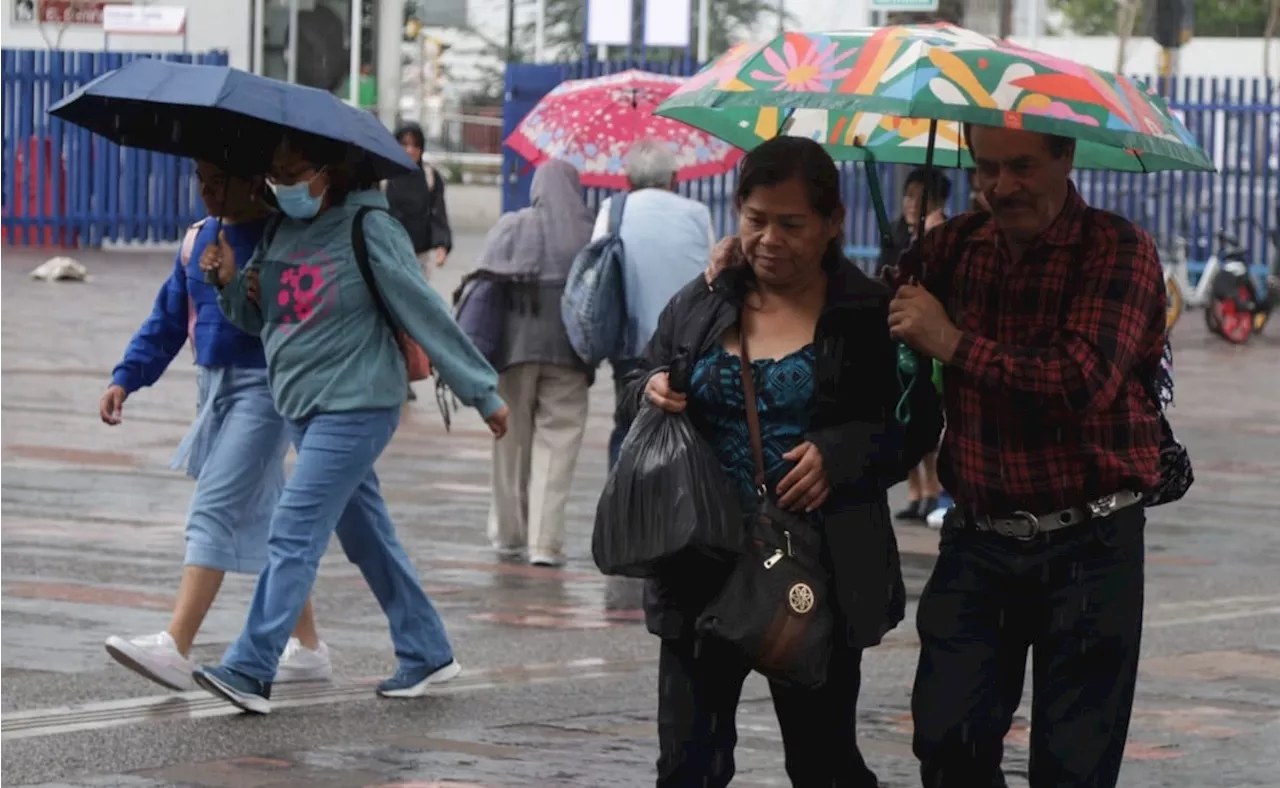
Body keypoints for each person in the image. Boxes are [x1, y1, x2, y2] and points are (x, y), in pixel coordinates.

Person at [626, 136, 942, 787]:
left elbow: (913, 425)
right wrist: (651, 387)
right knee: (687, 764)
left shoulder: (867, 314)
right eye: (756, 220)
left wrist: (842, 453)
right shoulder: (706, 298)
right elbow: (643, 370)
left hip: (813, 572)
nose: (770, 239)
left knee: (822, 763)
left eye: (792, 224)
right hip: (700, 563)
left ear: (833, 223)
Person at [194, 132, 509, 714]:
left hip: (359, 403)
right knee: (369, 539)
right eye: (277, 174)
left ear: (330, 172)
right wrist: (228, 283)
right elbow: (256, 318)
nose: (285, 185)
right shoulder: (281, 231)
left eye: (296, 172)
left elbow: (423, 308)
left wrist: (481, 391)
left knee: (292, 529)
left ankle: (250, 665)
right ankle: (427, 650)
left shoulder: (370, 228)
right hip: (303, 407)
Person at [890, 123, 1166, 786]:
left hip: (1092, 539)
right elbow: (868, 318)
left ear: (1065, 158)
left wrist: (953, 342)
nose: (1000, 186)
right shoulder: (951, 248)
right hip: (980, 538)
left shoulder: (1117, 249)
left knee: (1073, 762)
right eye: (986, 167)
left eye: (1021, 167)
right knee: (946, 735)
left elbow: (1081, 380)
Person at [99, 160, 329, 692]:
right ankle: (310, 649)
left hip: (269, 391)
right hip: (213, 391)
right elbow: (166, 322)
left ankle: (176, 645)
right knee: (275, 524)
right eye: (200, 179)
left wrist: (237, 280)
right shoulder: (197, 240)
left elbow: (302, 315)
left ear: (252, 180)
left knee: (213, 506)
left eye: (218, 180)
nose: (206, 190)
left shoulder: (282, 237)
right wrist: (125, 378)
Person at [475, 160, 595, 568]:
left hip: (513, 355)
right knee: (557, 447)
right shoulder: (589, 232)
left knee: (509, 444)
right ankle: (545, 542)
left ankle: (509, 535)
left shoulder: (513, 225)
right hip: (569, 358)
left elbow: (483, 282)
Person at [592, 139, 714, 469]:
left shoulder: (612, 211)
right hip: (688, 343)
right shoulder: (697, 214)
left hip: (630, 342)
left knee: (628, 426)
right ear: (674, 178)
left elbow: (597, 273)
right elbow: (711, 275)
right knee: (685, 431)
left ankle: (623, 507)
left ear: (628, 180)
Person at [883, 167, 951, 524]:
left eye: (919, 196)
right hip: (901, 337)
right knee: (904, 411)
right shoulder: (899, 234)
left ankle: (935, 491)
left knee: (929, 416)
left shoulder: (943, 233)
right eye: (908, 195)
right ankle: (917, 492)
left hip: (930, 338)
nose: (911, 203)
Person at [385, 122, 451, 281]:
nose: (410, 150)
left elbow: (437, 212)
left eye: (415, 145)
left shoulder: (430, 176)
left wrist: (441, 245)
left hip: (419, 255)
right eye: (404, 144)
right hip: (388, 252)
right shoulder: (384, 175)